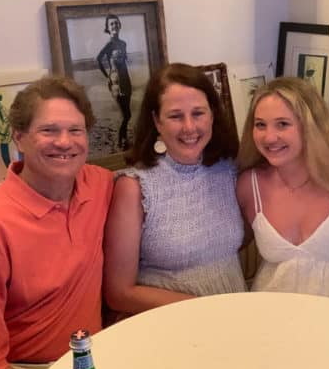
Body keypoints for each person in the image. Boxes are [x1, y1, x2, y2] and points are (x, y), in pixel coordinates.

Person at [0, 76, 114, 369]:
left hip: (82, 360)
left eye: (75, 130)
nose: (64, 142)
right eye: (48, 130)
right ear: (19, 138)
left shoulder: (100, 185)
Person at [103, 63, 246, 317]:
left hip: (236, 318)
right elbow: (118, 293)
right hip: (169, 327)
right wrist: (202, 308)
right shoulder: (134, 187)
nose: (189, 127)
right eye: (176, 116)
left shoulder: (229, 169)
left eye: (198, 113)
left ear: (212, 114)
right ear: (157, 121)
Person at [236, 77, 329, 299]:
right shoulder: (249, 184)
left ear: (310, 126)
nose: (270, 137)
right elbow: (230, 246)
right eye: (260, 125)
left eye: (283, 124)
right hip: (268, 316)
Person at [97, 13, 132, 150]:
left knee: (128, 114)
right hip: (116, 83)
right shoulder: (109, 44)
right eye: (111, 24)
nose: (114, 25)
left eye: (116, 23)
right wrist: (107, 75)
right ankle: (120, 141)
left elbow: (125, 60)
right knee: (124, 114)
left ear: (120, 25)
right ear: (107, 27)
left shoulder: (124, 43)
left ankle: (123, 138)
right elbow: (98, 59)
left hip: (126, 80)